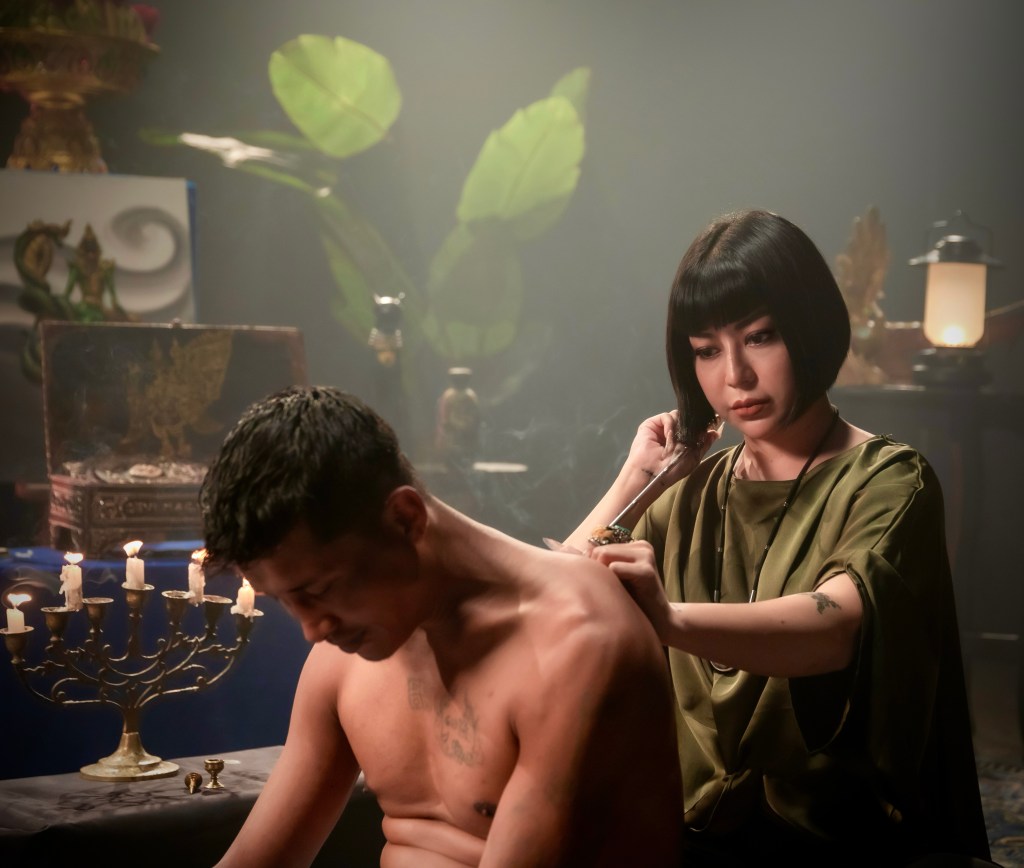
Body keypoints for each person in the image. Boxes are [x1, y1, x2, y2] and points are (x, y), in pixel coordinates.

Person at [562, 209, 991, 867]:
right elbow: (554, 602)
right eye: (706, 350)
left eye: (759, 337)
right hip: (684, 833)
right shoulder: (689, 492)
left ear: (810, 327)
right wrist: (636, 479)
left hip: (831, 842)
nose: (734, 375)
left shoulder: (889, 480)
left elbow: (834, 628)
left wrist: (670, 620)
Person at [201, 385, 683, 868]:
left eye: (320, 589)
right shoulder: (343, 655)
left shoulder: (579, 639)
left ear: (405, 518)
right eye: (286, 602)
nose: (311, 629)